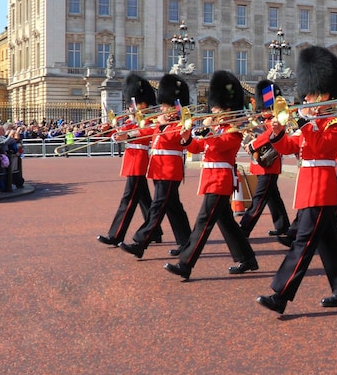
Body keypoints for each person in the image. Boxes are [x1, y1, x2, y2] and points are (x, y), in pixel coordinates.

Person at [256, 47, 337, 315]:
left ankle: (281, 294)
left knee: (303, 243)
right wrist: (276, 134)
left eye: (310, 94)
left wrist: (305, 123)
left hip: (321, 188)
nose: (306, 98)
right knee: (328, 244)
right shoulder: (312, 121)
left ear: (324, 95)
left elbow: (323, 148)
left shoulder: (336, 122)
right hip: (309, 187)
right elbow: (293, 147)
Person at [164, 71, 258, 280]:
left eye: (214, 107)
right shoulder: (217, 128)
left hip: (221, 180)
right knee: (226, 222)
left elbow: (218, 147)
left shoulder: (233, 130)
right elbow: (200, 148)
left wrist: (209, 130)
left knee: (203, 222)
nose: (211, 110)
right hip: (212, 178)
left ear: (226, 108)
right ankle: (247, 258)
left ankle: (185, 263)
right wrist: (187, 139)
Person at [119, 74, 193, 258]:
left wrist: (161, 125)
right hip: (159, 169)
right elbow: (145, 131)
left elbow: (174, 139)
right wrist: (127, 135)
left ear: (175, 106)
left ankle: (140, 242)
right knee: (173, 207)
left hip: (170, 170)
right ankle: (186, 243)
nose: (161, 109)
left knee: (158, 207)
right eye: (162, 105)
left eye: (165, 106)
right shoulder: (163, 122)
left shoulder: (181, 122)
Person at [97, 74, 156, 246]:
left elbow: (144, 134)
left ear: (144, 104)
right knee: (144, 198)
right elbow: (119, 132)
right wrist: (106, 130)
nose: (131, 107)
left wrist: (126, 134)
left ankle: (116, 235)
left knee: (128, 199)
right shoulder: (133, 120)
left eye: (135, 103)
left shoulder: (149, 120)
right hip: (132, 160)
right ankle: (155, 231)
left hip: (139, 161)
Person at [238, 79, 291, 239]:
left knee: (259, 199)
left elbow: (270, 135)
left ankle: (244, 228)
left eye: (265, 107)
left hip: (269, 164)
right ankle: (283, 226)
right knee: (273, 197)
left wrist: (254, 143)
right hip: (261, 163)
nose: (262, 110)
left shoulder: (276, 119)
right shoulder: (263, 119)